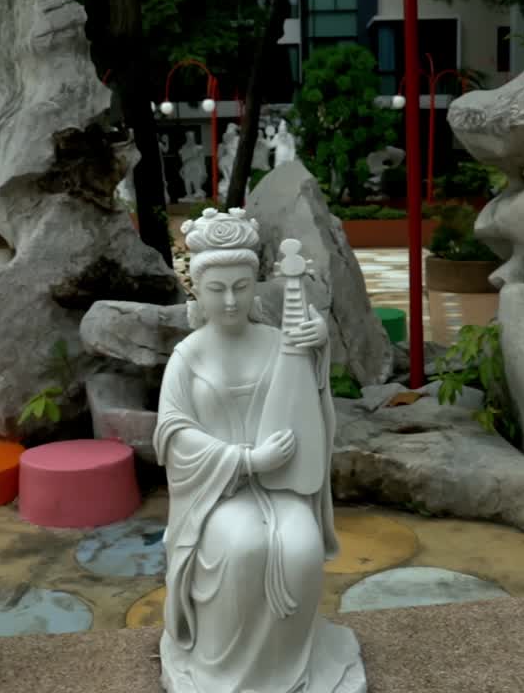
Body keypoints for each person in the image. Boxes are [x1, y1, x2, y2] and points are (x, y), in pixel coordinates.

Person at [154, 207, 364, 693]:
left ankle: (291, 666)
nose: (230, 301)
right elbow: (173, 436)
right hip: (220, 492)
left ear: (254, 286)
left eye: (241, 287)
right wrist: (246, 460)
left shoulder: (276, 341)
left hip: (281, 483)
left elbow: (307, 408)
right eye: (216, 289)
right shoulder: (188, 357)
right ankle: (227, 672)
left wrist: (317, 349)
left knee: (301, 546)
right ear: (197, 290)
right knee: (243, 547)